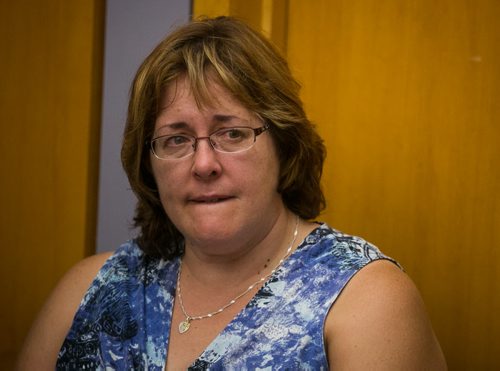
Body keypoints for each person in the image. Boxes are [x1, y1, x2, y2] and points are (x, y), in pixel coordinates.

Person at [17, 16, 446, 370]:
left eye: (233, 133)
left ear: (283, 143)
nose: (203, 164)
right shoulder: (88, 288)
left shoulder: (366, 300)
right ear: (148, 161)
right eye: (176, 139)